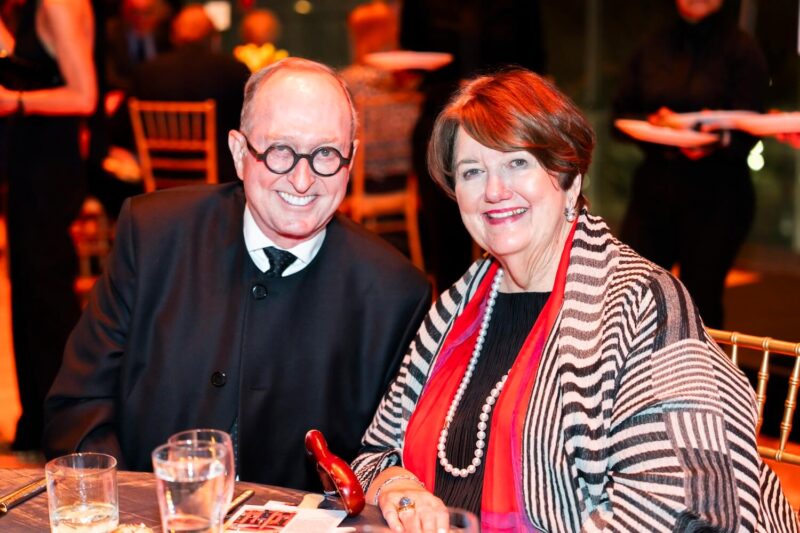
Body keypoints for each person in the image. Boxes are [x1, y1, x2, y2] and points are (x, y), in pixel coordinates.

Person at [351, 68, 796, 532]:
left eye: (517, 163)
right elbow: (375, 454)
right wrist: (397, 486)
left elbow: (688, 505)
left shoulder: (642, 305)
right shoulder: (456, 309)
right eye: (472, 172)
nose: (494, 191)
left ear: (568, 177)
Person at [43, 57, 432, 491]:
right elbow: (79, 405)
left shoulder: (394, 294)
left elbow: (385, 461)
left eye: (325, 153)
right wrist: (135, 507)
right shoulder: (153, 236)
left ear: (351, 158)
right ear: (238, 152)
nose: (302, 180)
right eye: (280, 151)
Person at [612, 0, 768, 329]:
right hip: (656, 183)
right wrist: (654, 125)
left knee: (700, 303)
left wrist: (713, 141)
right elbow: (620, 115)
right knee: (630, 291)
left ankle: (699, 379)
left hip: (719, 191)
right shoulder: (653, 44)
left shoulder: (742, 49)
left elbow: (752, 126)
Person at [0, 0, 97, 451]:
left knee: (46, 299)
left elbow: (84, 94)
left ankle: (65, 426)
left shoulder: (58, 4)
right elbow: (32, 66)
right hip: (36, 163)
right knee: (34, 295)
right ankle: (43, 420)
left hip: (45, 167)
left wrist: (13, 101)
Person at [399, 0, 547, 295]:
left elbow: (537, 66)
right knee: (445, 244)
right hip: (440, 124)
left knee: (512, 238)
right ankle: (452, 327)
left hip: (504, 127)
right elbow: (408, 58)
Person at [131, 4, 250, 183]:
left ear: (174, 36)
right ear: (213, 36)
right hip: (222, 179)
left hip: (159, 177)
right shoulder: (233, 70)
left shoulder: (147, 72)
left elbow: (123, 130)